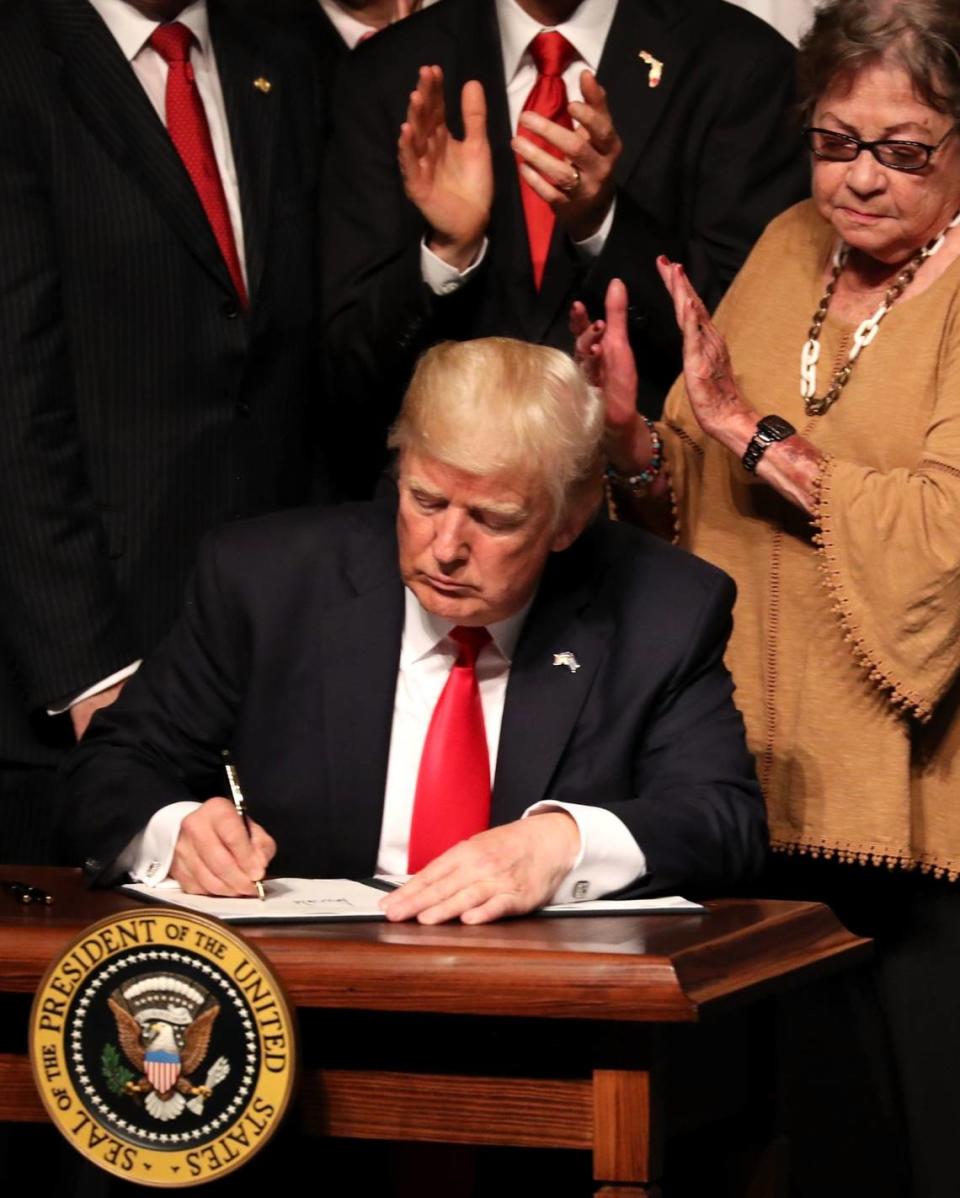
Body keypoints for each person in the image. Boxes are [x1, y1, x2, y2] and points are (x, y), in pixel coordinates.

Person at [576, 1, 960, 1192]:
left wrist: (751, 431)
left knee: (919, 1149)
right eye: (835, 140)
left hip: (917, 813)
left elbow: (947, 533)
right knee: (768, 1147)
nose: (857, 179)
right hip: (756, 788)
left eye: (902, 151)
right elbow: (686, 507)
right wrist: (641, 439)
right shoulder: (790, 243)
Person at [63, 336, 766, 923]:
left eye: (493, 519)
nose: (446, 546)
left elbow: (723, 821)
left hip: (552, 1011)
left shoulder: (664, 608)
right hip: (302, 996)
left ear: (568, 521)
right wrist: (174, 829)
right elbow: (114, 767)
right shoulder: (268, 581)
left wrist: (562, 844)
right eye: (425, 501)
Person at [0, 0, 328, 864]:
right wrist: (88, 673)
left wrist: (441, 258)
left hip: (273, 670)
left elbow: (310, 363)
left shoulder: (287, 50)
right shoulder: (20, 58)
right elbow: (15, 396)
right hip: (80, 677)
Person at [321, 0, 809, 495]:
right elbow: (347, 368)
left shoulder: (742, 63)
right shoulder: (389, 71)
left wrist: (602, 222)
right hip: (443, 513)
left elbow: (747, 339)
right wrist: (448, 251)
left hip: (651, 508)